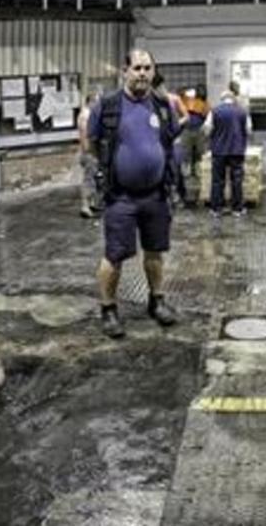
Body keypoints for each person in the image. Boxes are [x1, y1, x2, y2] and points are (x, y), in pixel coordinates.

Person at [87, 49, 180, 339]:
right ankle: (108, 309)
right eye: (137, 68)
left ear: (154, 71)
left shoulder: (163, 106)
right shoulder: (109, 105)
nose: (142, 73)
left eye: (147, 68)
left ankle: (157, 301)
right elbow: (92, 142)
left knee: (155, 252)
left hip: (155, 195)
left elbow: (169, 139)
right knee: (114, 255)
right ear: (125, 71)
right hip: (120, 197)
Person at [203, 84, 252, 217]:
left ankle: (216, 209)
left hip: (218, 151)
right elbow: (249, 130)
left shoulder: (214, 111)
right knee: (236, 180)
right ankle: (237, 209)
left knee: (218, 180)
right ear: (233, 98)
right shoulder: (242, 111)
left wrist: (215, 135)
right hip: (237, 150)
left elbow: (207, 130)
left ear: (222, 99)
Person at [151, 71, 190, 206]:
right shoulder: (148, 102)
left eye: (164, 86)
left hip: (173, 140)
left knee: (175, 168)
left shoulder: (171, 100)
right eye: (161, 86)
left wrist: (174, 126)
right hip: (158, 144)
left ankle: (177, 194)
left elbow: (185, 117)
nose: (164, 89)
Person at [180, 84, 211, 205]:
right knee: (186, 158)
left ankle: (200, 182)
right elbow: (180, 95)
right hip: (187, 131)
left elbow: (208, 118)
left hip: (199, 131)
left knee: (200, 157)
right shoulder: (187, 99)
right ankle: (187, 185)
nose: (201, 93)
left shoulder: (204, 104)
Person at [77, 92, 102, 219]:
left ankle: (91, 203)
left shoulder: (87, 114)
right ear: (91, 101)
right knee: (88, 179)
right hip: (88, 152)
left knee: (92, 179)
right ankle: (85, 206)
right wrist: (89, 151)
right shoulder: (86, 116)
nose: (98, 105)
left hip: (88, 152)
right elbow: (86, 136)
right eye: (96, 101)